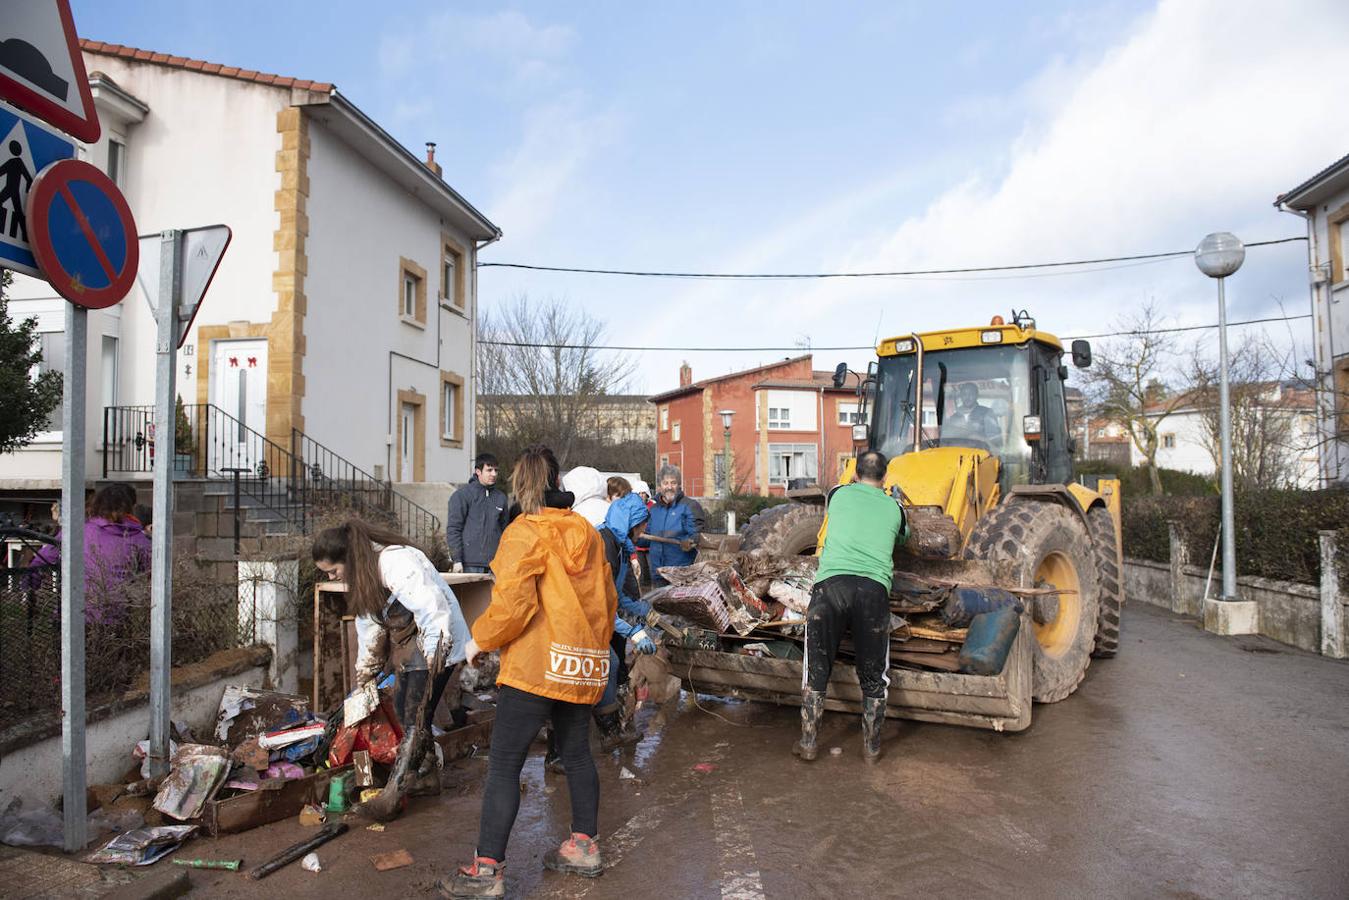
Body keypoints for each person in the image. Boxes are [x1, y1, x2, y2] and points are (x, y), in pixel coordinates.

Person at [445, 446, 617, 898]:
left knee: (504, 765)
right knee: (577, 754)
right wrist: (594, 656)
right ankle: (583, 846)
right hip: (579, 666)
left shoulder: (524, 532)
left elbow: (513, 606)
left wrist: (479, 640)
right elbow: (607, 602)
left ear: (522, 485)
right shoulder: (588, 532)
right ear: (559, 482)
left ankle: (486, 871)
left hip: (537, 667)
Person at [796, 450, 907, 764]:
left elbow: (842, 505)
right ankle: (871, 749)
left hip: (830, 587)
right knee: (874, 675)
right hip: (872, 592)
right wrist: (893, 501)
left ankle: (808, 742)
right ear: (885, 477)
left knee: (816, 670)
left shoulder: (838, 494)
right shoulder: (896, 508)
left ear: (856, 473)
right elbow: (904, 537)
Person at [311, 519, 470, 731]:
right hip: (410, 646)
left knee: (416, 718)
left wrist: (435, 653)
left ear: (349, 558)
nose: (332, 577)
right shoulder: (364, 578)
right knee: (402, 713)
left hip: (439, 637)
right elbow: (369, 629)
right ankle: (421, 759)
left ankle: (417, 762)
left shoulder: (395, 562)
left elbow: (430, 607)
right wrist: (366, 674)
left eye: (333, 570)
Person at [30, 482, 151, 622]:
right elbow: (154, 575)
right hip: (114, 617)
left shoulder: (76, 530)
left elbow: (41, 560)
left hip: (71, 616)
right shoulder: (138, 538)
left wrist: (30, 591)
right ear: (132, 508)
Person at [446, 454, 509, 573]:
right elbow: (454, 529)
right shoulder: (462, 496)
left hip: (495, 564)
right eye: (489, 470)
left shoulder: (501, 498)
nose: (494, 474)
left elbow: (506, 531)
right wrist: (457, 560)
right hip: (469, 564)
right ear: (478, 471)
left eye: (496, 470)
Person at [640, 464, 700, 587]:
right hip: (658, 572)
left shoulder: (690, 506)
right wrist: (635, 537)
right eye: (665, 483)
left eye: (673, 483)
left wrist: (691, 541)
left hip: (680, 573)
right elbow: (647, 538)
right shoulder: (654, 509)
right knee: (658, 604)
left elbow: (697, 532)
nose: (669, 487)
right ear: (660, 486)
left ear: (679, 485)